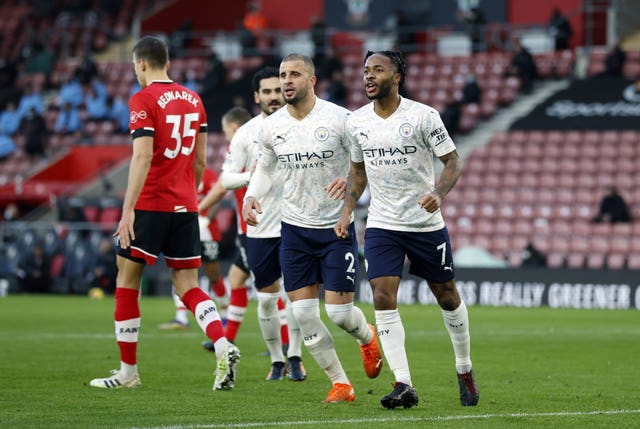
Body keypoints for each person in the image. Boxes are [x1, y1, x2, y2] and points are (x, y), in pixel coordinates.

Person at [89, 36, 240, 391]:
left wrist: (127, 210)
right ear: (167, 61)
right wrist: (188, 193)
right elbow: (201, 160)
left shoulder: (143, 99)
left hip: (150, 204)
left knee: (126, 281)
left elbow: (142, 156)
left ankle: (128, 373)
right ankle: (222, 343)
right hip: (185, 205)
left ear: (140, 63)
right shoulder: (194, 99)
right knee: (187, 286)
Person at [334, 50, 478, 409]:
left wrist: (438, 193)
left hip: (425, 224)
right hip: (382, 224)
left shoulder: (423, 116)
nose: (368, 76)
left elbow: (453, 161)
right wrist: (347, 210)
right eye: (365, 70)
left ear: (397, 77)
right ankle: (404, 384)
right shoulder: (357, 122)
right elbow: (357, 171)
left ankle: (464, 368)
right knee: (382, 295)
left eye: (377, 70)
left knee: (446, 295)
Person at [243, 53, 383, 403]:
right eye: (282, 74)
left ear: (312, 80)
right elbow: (265, 168)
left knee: (338, 313)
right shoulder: (273, 126)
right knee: (303, 314)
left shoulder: (340, 120)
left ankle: (367, 338)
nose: (286, 80)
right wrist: (250, 196)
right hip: (293, 229)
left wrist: (348, 180)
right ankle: (340, 384)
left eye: (294, 74)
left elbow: (364, 165)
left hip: (335, 227)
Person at [219, 67, 305, 381]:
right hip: (260, 229)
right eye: (266, 92)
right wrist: (249, 176)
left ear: (286, 91)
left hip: (297, 224)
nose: (272, 96)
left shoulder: (303, 127)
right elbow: (226, 178)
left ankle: (295, 356)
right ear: (257, 96)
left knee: (298, 296)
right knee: (267, 299)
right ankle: (277, 360)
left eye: (277, 90)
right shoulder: (246, 133)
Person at [158, 166, 230, 331]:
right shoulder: (177, 170)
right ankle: (181, 317)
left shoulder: (208, 174)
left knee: (213, 274)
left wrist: (206, 219)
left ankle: (225, 312)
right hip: (183, 228)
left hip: (207, 231)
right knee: (179, 270)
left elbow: (217, 201)